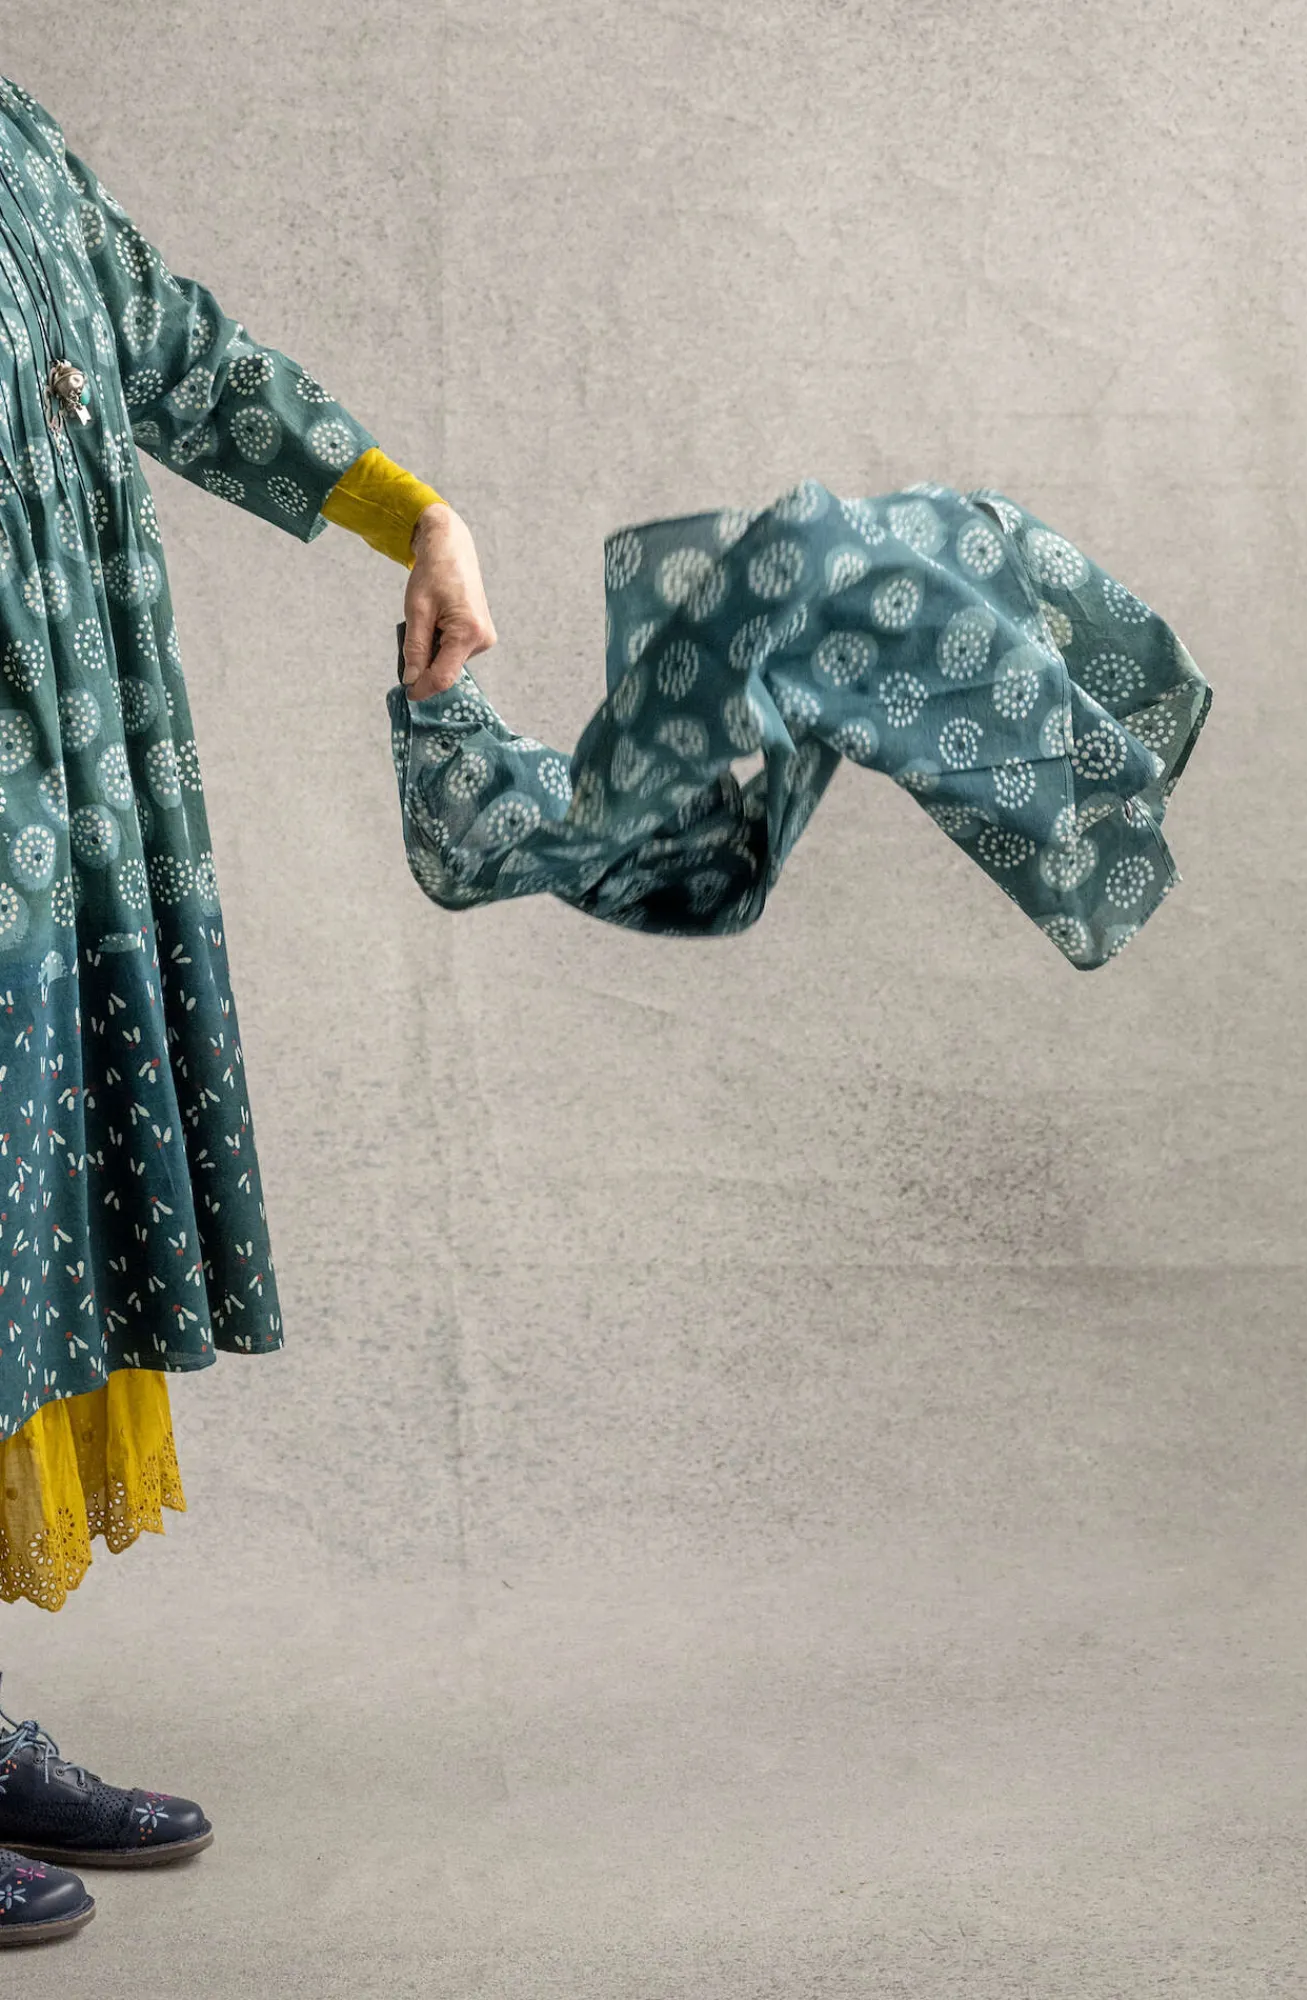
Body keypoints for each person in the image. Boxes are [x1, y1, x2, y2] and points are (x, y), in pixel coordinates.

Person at [0, 70, 495, 1946]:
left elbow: (175, 353)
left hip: (56, 805)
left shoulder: (11, 138)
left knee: (13, 1250)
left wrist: (413, 515)